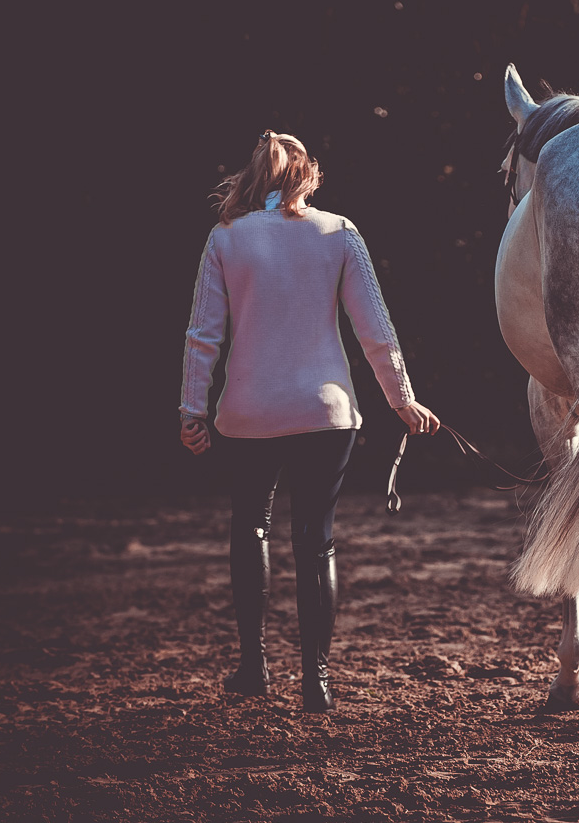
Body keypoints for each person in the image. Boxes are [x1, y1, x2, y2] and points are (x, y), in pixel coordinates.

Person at [179, 130, 440, 712]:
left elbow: (203, 336)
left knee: (250, 530)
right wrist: (403, 401)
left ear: (253, 175)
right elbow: (376, 329)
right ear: (308, 176)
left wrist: (192, 410)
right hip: (327, 414)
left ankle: (253, 668)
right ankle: (316, 681)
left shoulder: (225, 238)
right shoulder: (339, 233)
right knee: (315, 544)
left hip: (247, 415)